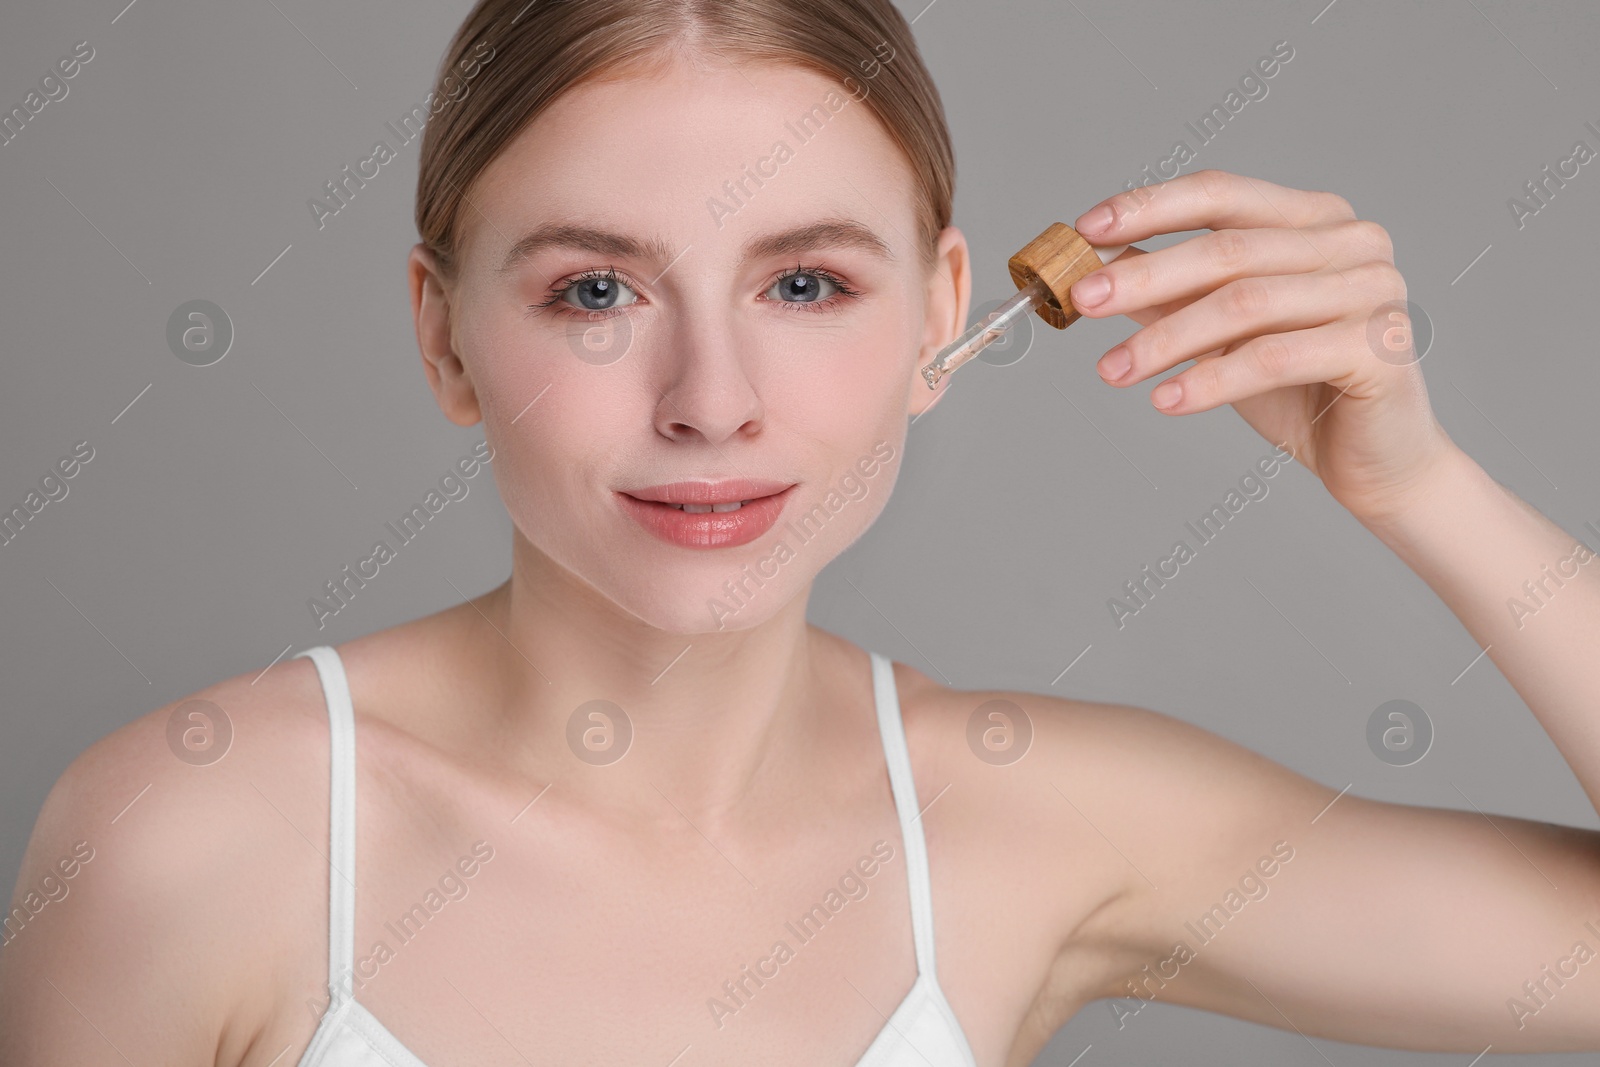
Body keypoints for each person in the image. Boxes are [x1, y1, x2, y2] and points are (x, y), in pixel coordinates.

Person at [3, 0, 1598, 1063]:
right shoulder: (194, 839)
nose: (712, 402)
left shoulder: (1031, 824)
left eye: (807, 284)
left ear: (943, 315)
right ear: (444, 340)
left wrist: (1419, 487)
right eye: (596, 292)